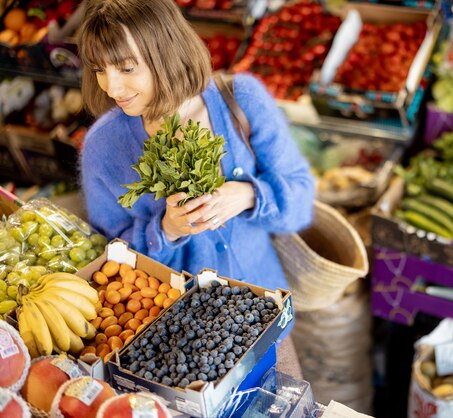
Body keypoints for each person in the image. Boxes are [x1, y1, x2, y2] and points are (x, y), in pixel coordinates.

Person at [77, 0, 314, 292]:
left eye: (126, 68)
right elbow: (108, 259)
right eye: (99, 70)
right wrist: (165, 230)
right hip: (177, 323)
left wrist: (249, 194)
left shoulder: (241, 99)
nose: (111, 88)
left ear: (167, 53)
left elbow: (302, 203)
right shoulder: (103, 146)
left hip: (267, 310)